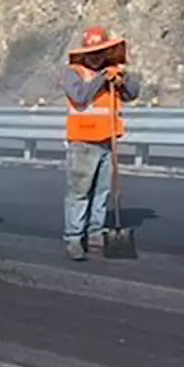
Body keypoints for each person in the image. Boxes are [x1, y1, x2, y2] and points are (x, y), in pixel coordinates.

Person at [61, 26, 141, 260]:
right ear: (85, 52)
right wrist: (101, 80)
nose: (96, 56)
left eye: (100, 51)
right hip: (82, 143)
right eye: (92, 52)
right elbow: (80, 97)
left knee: (102, 192)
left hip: (108, 142)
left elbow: (133, 93)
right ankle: (74, 238)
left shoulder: (113, 73)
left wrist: (123, 79)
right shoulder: (73, 73)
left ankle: (96, 233)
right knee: (79, 193)